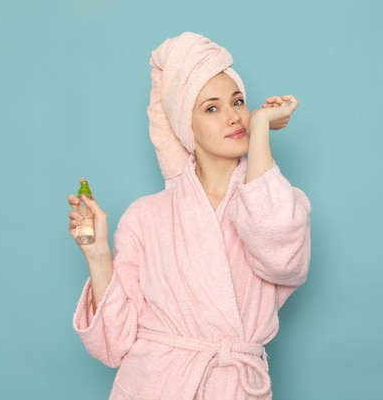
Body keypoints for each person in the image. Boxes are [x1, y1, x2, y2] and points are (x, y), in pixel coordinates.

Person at [67, 31, 311, 400]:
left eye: (239, 102)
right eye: (211, 108)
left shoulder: (283, 204)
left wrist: (261, 128)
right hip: (155, 386)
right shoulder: (145, 217)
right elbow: (112, 345)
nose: (234, 117)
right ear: (186, 125)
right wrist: (98, 253)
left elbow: (281, 259)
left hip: (233, 385)